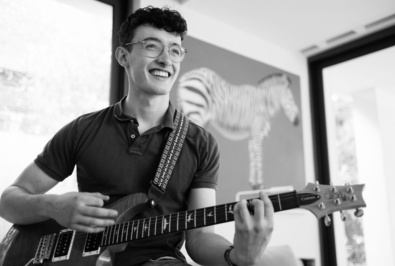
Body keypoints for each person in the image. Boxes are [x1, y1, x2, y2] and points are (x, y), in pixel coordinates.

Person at [0, 6, 274, 266]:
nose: (166, 59)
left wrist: (238, 256)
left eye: (175, 50)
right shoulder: (82, 129)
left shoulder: (201, 143)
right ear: (123, 56)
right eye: (152, 46)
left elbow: (200, 238)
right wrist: (53, 205)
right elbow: (9, 201)